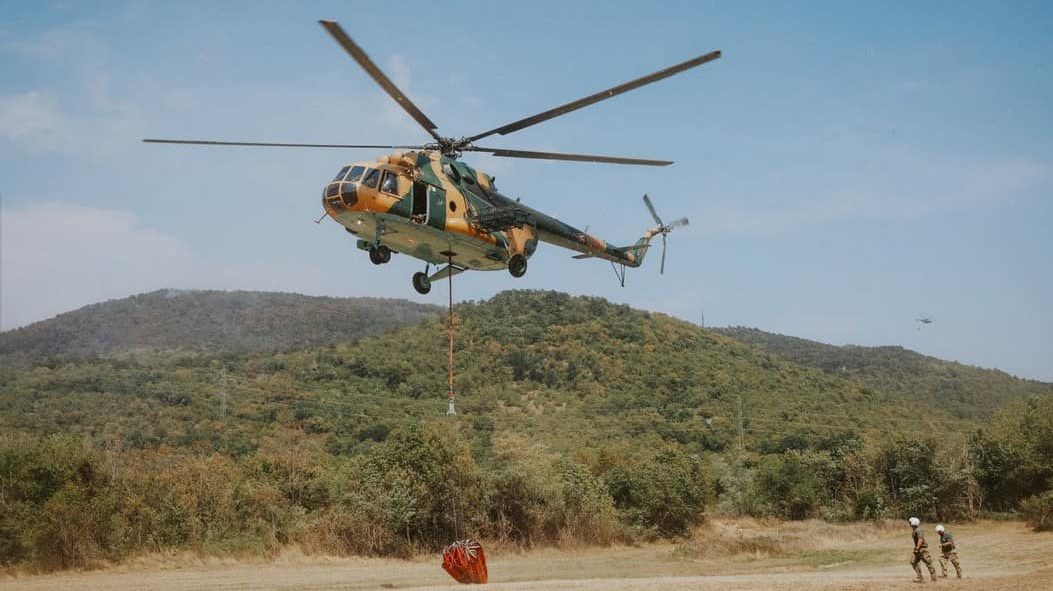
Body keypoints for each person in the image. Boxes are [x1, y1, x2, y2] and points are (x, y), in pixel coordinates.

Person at [909, 517, 937, 583]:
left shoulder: (918, 530)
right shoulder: (915, 530)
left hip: (922, 549)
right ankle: (920, 578)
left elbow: (920, 539)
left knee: (928, 562)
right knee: (913, 562)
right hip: (918, 549)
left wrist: (917, 548)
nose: (909, 523)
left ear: (913, 523)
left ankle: (934, 578)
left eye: (910, 522)